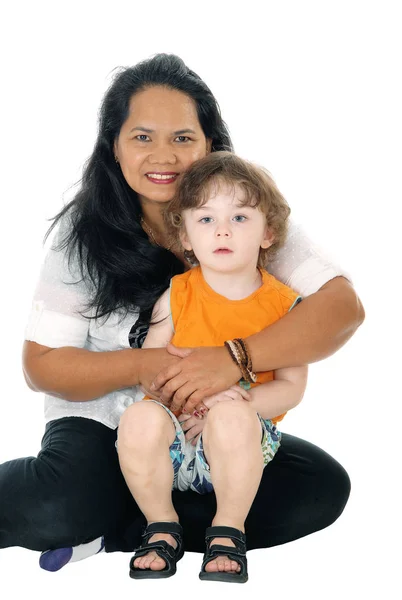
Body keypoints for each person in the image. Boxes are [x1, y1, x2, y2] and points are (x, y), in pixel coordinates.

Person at [0, 53, 363, 574]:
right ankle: (101, 512)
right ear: (115, 148)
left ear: (209, 144)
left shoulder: (241, 216)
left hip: (210, 428)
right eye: (142, 137)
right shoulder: (81, 237)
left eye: (183, 137)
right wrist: (145, 368)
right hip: (105, 423)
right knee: (59, 504)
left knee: (318, 490)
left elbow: (342, 308)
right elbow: (42, 365)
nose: (163, 155)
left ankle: (127, 527)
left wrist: (234, 358)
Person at [117, 150, 308, 582]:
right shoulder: (177, 295)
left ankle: (227, 529)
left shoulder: (284, 306)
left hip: (241, 444)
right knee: (138, 418)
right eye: (205, 219)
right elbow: (151, 365)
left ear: (268, 232)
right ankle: (161, 524)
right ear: (185, 236)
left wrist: (236, 402)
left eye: (240, 218)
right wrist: (179, 402)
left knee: (231, 418)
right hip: (177, 434)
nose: (222, 229)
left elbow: (293, 387)